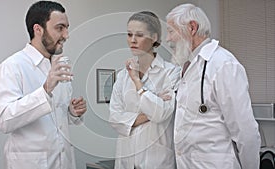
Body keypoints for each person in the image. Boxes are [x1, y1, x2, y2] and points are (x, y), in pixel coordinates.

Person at [0, 1, 87, 169]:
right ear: (38, 29)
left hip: (63, 162)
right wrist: (45, 90)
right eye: (60, 28)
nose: (66, 35)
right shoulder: (12, 66)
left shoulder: (58, 66)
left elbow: (55, 120)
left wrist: (72, 113)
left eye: (67, 28)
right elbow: (4, 120)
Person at [166, 3, 261, 169]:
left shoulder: (223, 64)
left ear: (192, 28)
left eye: (171, 31)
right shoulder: (188, 66)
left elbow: (246, 132)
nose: (168, 39)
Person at [109, 11, 180, 169]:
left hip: (157, 160)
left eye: (139, 35)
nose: (132, 40)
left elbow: (162, 114)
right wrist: (152, 107)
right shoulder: (122, 76)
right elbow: (115, 119)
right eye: (129, 34)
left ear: (154, 37)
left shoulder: (171, 72)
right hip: (126, 160)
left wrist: (137, 82)